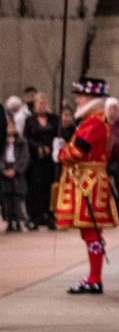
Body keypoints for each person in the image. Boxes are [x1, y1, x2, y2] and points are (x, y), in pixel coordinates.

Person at [59, 78, 119, 294]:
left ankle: (95, 278)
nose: (78, 100)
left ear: (91, 98)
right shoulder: (95, 120)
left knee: (91, 231)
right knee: (90, 231)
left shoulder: (94, 122)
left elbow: (77, 151)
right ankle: (94, 276)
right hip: (91, 180)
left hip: (89, 182)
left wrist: (61, 152)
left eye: (81, 96)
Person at [23, 93, 58, 230]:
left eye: (44, 103)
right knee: (35, 188)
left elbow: (58, 136)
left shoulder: (54, 119)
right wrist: (38, 147)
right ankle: (34, 217)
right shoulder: (29, 121)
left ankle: (50, 215)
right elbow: (26, 138)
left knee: (49, 187)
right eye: (39, 103)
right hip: (35, 160)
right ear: (34, 105)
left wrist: (49, 147)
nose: (42, 105)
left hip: (50, 160)